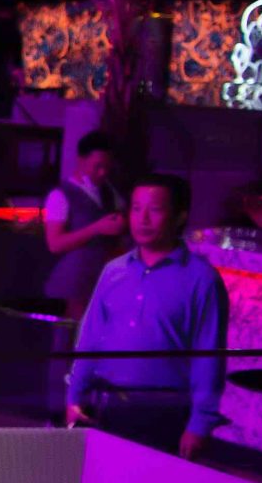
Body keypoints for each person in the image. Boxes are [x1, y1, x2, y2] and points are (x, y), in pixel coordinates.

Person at [64, 172, 229, 460]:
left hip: (165, 412)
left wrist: (200, 423)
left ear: (179, 216)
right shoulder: (114, 271)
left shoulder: (202, 279)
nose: (143, 219)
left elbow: (209, 357)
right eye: (137, 208)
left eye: (155, 209)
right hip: (106, 405)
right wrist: (74, 395)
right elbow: (89, 337)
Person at [44, 130, 126, 318]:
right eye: (97, 166)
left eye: (107, 167)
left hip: (102, 280)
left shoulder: (109, 192)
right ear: (81, 160)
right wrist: (96, 228)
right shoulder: (60, 195)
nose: (103, 173)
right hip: (72, 283)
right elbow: (54, 244)